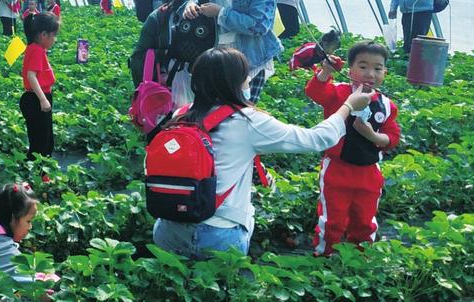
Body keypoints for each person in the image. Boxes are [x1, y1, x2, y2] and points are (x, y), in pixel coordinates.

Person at [152, 48, 372, 258]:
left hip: (167, 230)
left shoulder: (180, 115)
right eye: (246, 76)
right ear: (235, 83)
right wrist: (348, 106)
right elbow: (316, 139)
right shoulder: (247, 121)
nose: (249, 81)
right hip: (218, 236)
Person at [307, 41, 400, 256]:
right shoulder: (339, 93)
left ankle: (359, 259)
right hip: (337, 169)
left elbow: (393, 137)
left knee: (365, 220)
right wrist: (325, 72)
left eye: (377, 68)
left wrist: (372, 135)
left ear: (384, 72)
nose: (370, 73)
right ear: (350, 70)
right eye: (363, 66)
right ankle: (324, 255)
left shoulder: (386, 104)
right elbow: (316, 92)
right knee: (333, 219)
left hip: (369, 172)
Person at [20, 12, 60, 160]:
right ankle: (42, 173)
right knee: (43, 140)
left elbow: (28, 72)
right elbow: (31, 75)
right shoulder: (37, 50)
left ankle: (36, 169)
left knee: (37, 137)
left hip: (32, 98)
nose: (54, 39)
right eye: (53, 35)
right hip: (37, 99)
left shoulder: (33, 48)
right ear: (43, 35)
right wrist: (43, 99)